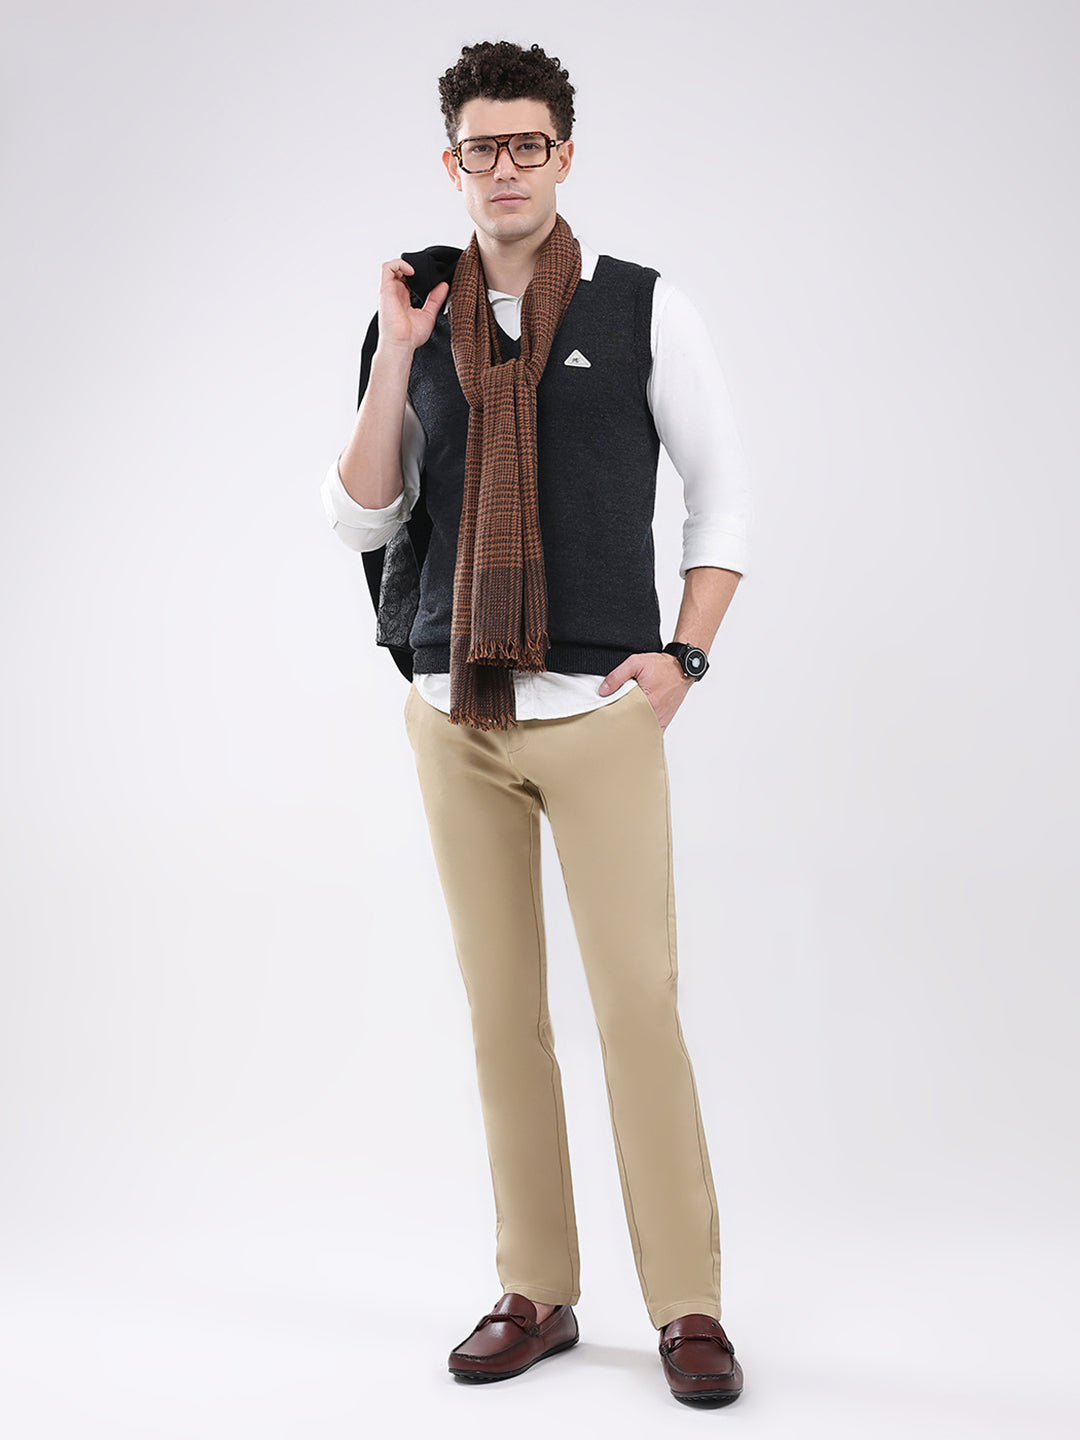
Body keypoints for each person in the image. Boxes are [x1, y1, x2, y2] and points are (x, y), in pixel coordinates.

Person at [319, 39, 753, 1406]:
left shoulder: (641, 307)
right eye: (480, 148)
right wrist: (395, 357)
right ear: (451, 163)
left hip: (598, 715)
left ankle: (687, 1306)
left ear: (564, 155)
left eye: (527, 145)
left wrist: (685, 657)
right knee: (503, 1013)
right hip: (454, 710)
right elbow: (364, 514)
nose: (503, 168)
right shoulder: (416, 313)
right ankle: (538, 1288)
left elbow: (724, 496)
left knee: (637, 1006)